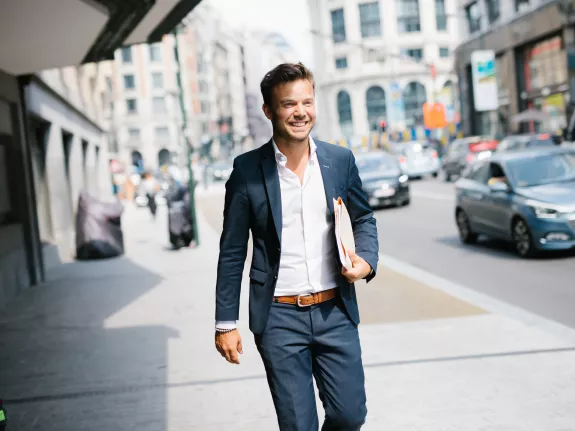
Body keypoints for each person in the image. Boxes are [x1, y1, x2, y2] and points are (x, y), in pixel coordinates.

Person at [214, 62, 379, 430]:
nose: (300, 112)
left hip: (334, 311)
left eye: (307, 102)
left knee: (350, 415)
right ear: (269, 111)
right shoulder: (247, 171)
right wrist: (226, 322)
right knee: (297, 425)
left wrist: (365, 261)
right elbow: (232, 251)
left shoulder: (339, 161)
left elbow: (364, 218)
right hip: (279, 318)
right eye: (289, 104)